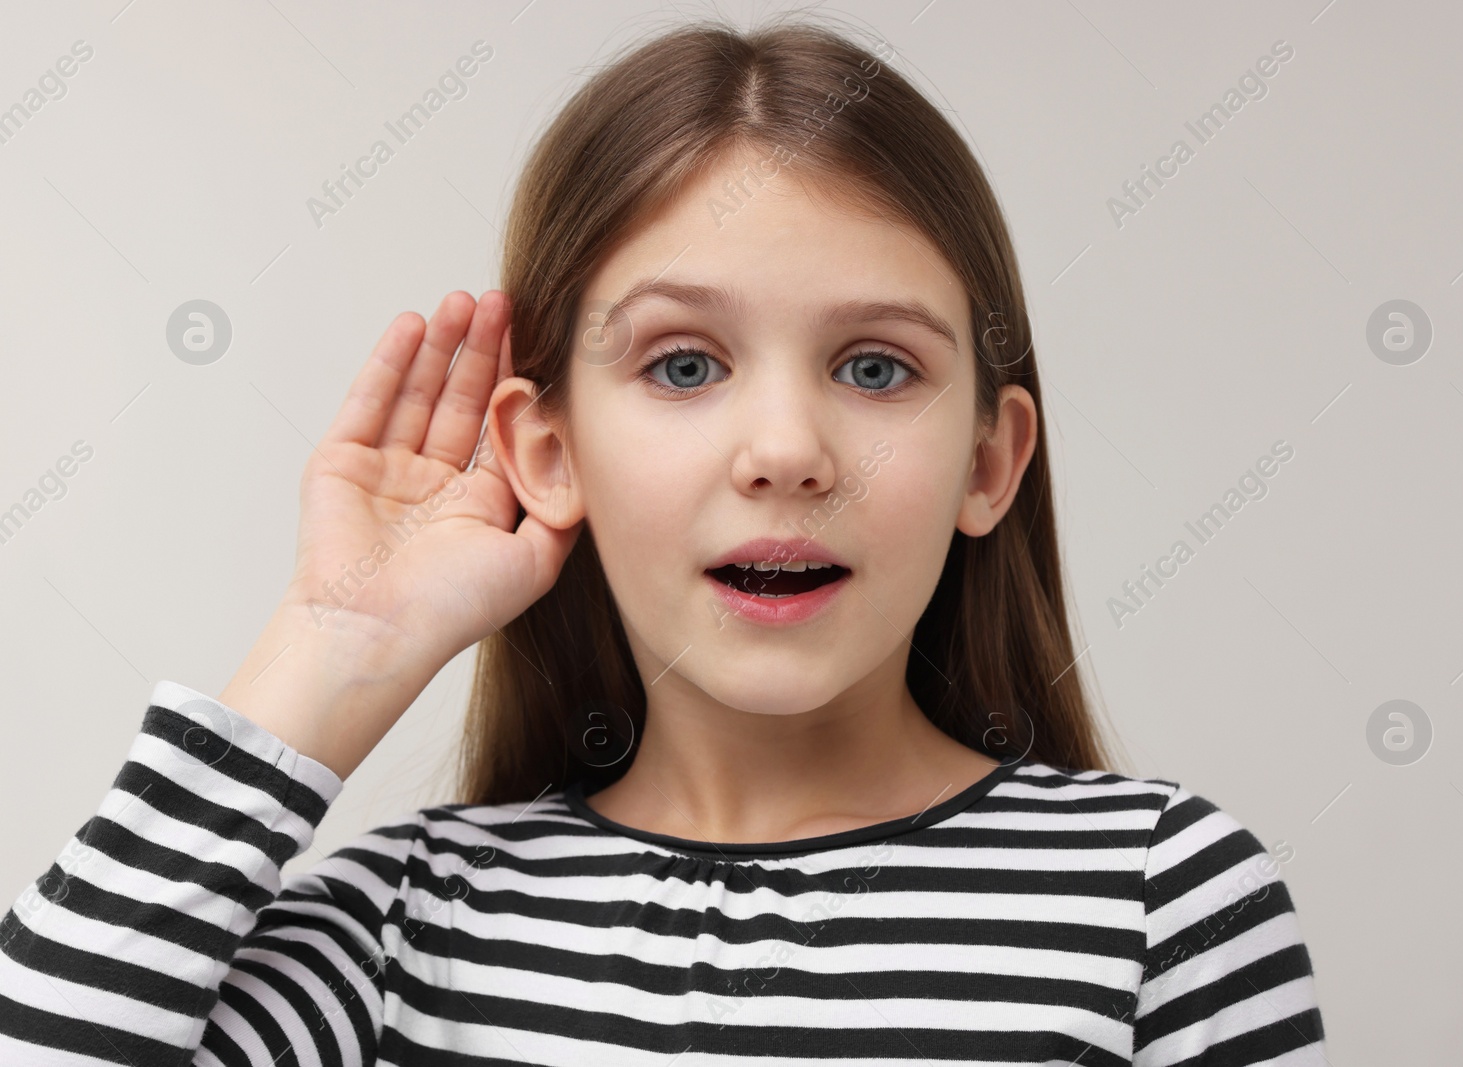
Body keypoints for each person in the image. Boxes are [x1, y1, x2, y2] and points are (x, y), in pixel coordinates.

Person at [0, 13, 1327, 1065]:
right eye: (686, 367)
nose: (787, 449)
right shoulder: (407, 931)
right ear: (550, 454)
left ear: (989, 461)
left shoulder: (1159, 902)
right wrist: (339, 638)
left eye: (874, 369)